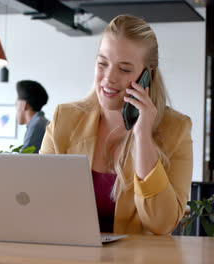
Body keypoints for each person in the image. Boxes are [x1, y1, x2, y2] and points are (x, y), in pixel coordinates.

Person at [40, 14, 193, 235]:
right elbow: (39, 200)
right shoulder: (65, 119)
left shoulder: (176, 130)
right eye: (103, 63)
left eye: (124, 69)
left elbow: (162, 224)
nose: (108, 78)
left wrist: (143, 137)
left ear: (146, 77)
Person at [15, 80, 49, 153]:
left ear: (24, 105)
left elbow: (23, 161)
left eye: (16, 105)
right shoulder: (40, 122)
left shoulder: (36, 126)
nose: (16, 109)